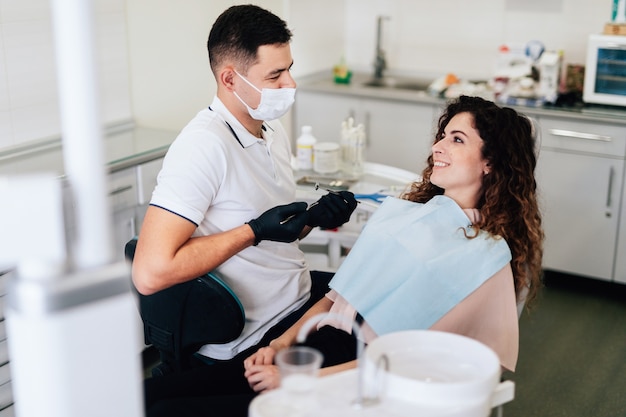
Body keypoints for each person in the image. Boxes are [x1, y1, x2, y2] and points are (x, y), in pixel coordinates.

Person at [146, 95, 544, 415]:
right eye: (443, 136)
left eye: (457, 139)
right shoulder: (408, 216)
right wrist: (281, 345)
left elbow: (408, 361)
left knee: (167, 411)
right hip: (314, 345)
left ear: (491, 163)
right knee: (151, 396)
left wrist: (300, 380)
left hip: (353, 379)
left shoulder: (483, 259)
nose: (438, 147)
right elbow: (337, 298)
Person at [134, 4, 357, 415]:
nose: (290, 83)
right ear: (229, 78)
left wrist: (313, 218)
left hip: (298, 298)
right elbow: (150, 272)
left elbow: (273, 232)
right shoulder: (203, 146)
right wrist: (252, 230)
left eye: (288, 68)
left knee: (373, 295)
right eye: (275, 75)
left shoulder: (270, 131)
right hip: (253, 334)